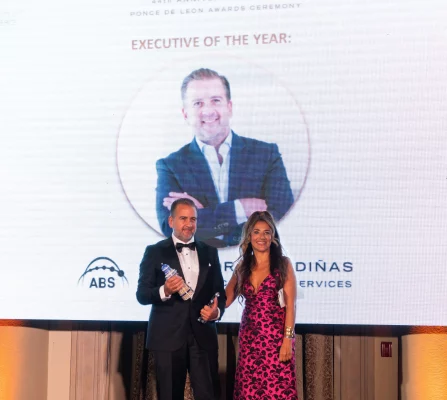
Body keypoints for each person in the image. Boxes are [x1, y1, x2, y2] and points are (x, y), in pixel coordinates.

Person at [156, 68, 295, 247]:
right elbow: (170, 230)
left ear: (229, 107)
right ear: (185, 114)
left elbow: (284, 214)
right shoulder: (170, 166)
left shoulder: (267, 154)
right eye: (198, 103)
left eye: (216, 100)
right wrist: (240, 208)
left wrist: (203, 217)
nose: (208, 111)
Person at [136, 197, 226, 400]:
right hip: (167, 337)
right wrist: (165, 290)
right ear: (171, 221)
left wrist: (216, 312)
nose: (189, 224)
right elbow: (142, 295)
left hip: (202, 337)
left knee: (208, 395)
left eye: (193, 219)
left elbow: (220, 292)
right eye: (183, 218)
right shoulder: (155, 252)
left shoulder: (210, 252)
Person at [225, 211, 298, 399]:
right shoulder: (242, 267)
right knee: (248, 392)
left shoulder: (283, 264)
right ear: (249, 236)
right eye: (257, 232)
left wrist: (287, 340)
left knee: (278, 392)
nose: (262, 237)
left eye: (267, 232)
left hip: (276, 341)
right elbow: (225, 299)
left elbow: (291, 306)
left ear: (273, 236)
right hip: (250, 341)